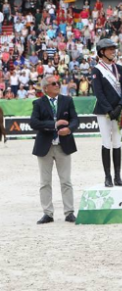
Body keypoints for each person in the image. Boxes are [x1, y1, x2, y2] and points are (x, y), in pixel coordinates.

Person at [30, 74, 79, 224]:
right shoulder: (38, 103)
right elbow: (33, 123)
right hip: (45, 146)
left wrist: (69, 129)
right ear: (45, 88)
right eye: (53, 83)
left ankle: (69, 212)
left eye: (58, 83)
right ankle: (48, 213)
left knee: (66, 181)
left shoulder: (67, 100)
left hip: (64, 146)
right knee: (45, 182)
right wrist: (54, 125)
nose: (57, 85)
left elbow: (75, 120)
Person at [92, 38, 122, 187]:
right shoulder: (97, 70)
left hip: (118, 110)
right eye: (110, 49)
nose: (113, 51)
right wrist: (109, 110)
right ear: (102, 52)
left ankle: (118, 176)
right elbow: (98, 93)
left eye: (114, 48)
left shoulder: (119, 68)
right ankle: (108, 176)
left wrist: (120, 107)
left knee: (117, 142)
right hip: (104, 111)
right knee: (106, 142)